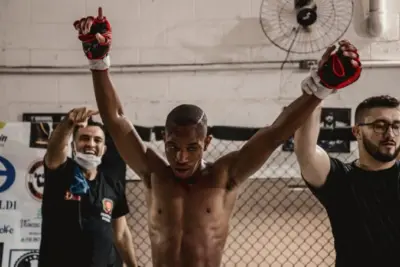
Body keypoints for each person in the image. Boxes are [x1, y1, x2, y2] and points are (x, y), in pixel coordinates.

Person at [73, 7, 361, 267]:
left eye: (192, 148)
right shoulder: (154, 172)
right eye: (173, 147)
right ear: (163, 139)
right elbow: (116, 120)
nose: (181, 157)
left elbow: (275, 134)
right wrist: (99, 63)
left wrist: (321, 87)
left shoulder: (225, 175)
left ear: (207, 143)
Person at [294, 95, 400, 266]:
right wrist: (316, 94)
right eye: (379, 126)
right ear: (357, 131)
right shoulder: (341, 179)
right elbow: (306, 152)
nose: (390, 134)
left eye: (396, 126)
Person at [38, 107, 139, 267]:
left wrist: (134, 265)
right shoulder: (60, 172)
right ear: (73, 146)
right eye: (84, 138)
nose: (91, 144)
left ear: (104, 149)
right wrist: (68, 124)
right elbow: (54, 150)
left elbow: (121, 234)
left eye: (97, 140)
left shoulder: (112, 185)